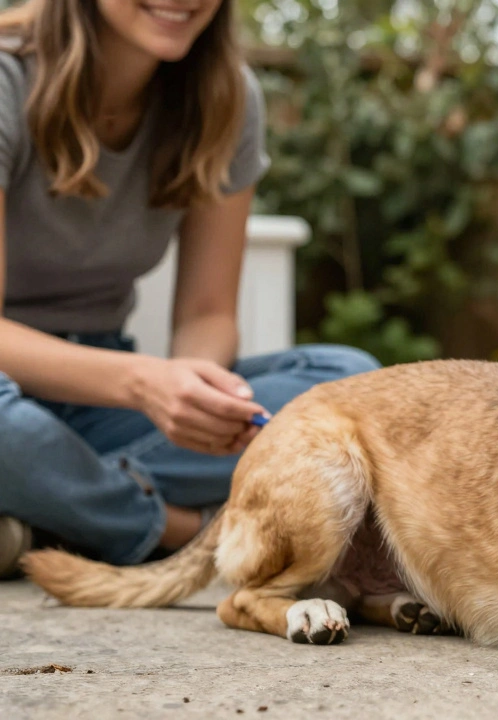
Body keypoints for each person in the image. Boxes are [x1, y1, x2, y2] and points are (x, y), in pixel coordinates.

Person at [0, 0, 380, 577]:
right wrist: (143, 384)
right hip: (25, 390)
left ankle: (51, 507)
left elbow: (207, 311)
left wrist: (195, 392)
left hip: (100, 398)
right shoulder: (8, 79)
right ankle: (190, 533)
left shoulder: (226, 95)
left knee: (349, 383)